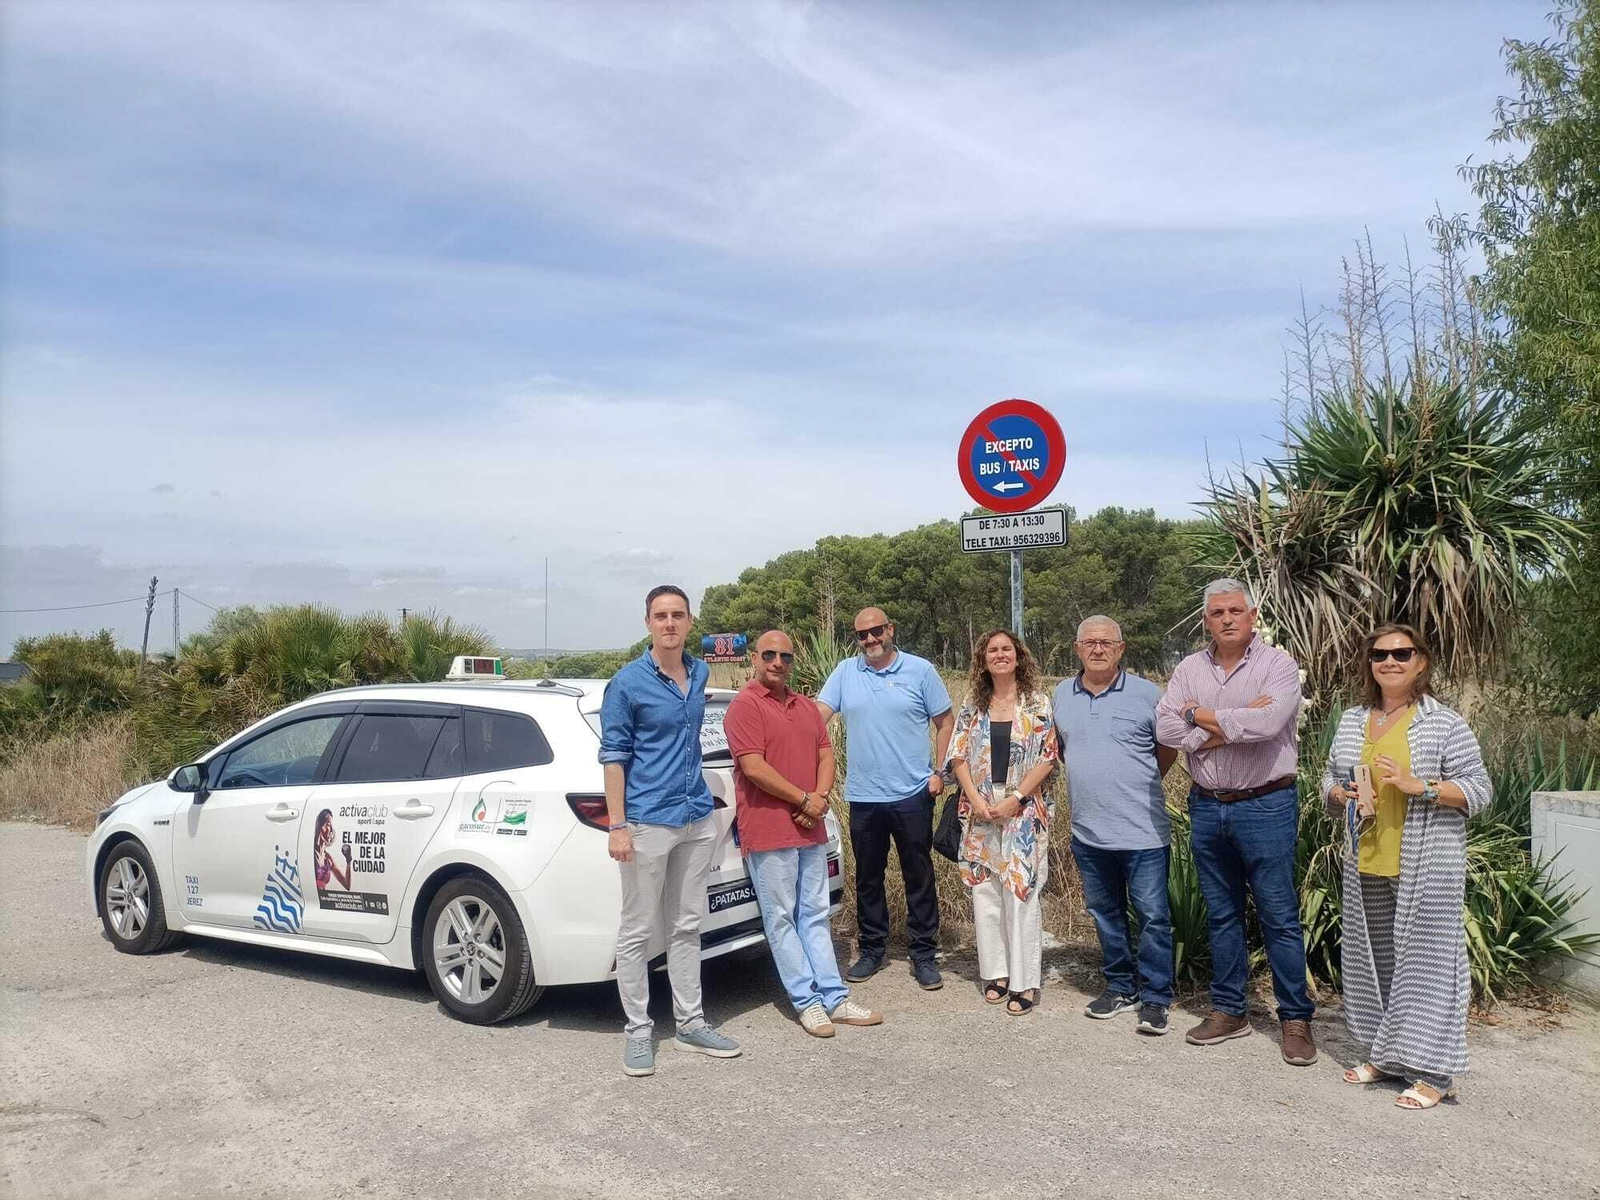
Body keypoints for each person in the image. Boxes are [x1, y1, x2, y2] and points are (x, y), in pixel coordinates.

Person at [1320, 624, 1491, 1110]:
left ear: (1421, 662)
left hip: (1427, 866)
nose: (1389, 662)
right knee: (1376, 963)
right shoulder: (1353, 720)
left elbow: (1479, 790)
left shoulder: (1444, 723)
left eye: (1402, 653)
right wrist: (1339, 793)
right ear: (1369, 663)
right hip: (1366, 861)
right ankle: (1387, 1057)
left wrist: (1423, 787)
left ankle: (1436, 1073)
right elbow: (1329, 781)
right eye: (1380, 654)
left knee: (1431, 968)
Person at [1155, 578, 1317, 1066]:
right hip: (1207, 804)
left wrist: (1197, 717)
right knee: (1222, 913)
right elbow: (1164, 726)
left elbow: (1269, 725)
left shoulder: (1278, 666)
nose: (1226, 619)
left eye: (1235, 611)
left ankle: (1295, 1018)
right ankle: (1230, 1011)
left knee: (1279, 916)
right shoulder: (1188, 668)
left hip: (1265, 805)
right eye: (1217, 613)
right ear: (1206, 620)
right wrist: (1230, 725)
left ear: (1251, 617)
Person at [598, 584, 741, 1077]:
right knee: (638, 930)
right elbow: (613, 758)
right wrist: (618, 826)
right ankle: (638, 1032)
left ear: (689, 620)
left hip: (696, 816)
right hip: (647, 821)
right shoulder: (627, 683)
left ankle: (689, 1023)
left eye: (678, 615)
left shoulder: (700, 672)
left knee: (685, 925)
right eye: (661, 616)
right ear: (648, 623)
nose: (670, 624)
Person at [724, 630, 884, 1038]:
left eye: (786, 656)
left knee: (814, 915)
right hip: (770, 829)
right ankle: (806, 1001)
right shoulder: (744, 706)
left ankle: (834, 997)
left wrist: (820, 797)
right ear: (754, 659)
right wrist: (804, 799)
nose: (778, 662)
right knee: (780, 919)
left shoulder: (807, 708)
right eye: (770, 655)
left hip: (810, 828)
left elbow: (825, 754)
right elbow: (754, 768)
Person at [817, 607, 954, 989]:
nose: (870, 640)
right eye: (862, 635)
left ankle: (924, 953)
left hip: (913, 794)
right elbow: (817, 716)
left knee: (919, 876)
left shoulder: (920, 670)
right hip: (863, 796)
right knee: (869, 879)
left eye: (876, 631)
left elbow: (946, 722)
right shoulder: (846, 672)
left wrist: (939, 773)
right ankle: (872, 950)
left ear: (890, 629)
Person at [1053, 616, 1178, 1034]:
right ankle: (1121, 986)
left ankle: (1157, 997)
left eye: (1107, 642)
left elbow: (1167, 752)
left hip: (1143, 833)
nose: (1098, 649)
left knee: (1153, 916)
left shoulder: (1148, 695)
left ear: (1122, 648)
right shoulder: (1060, 696)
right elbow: (1063, 751)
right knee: (1105, 914)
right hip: (1088, 833)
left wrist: (1131, 781)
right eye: (1089, 642)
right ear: (1077, 648)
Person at [946, 629, 1058, 1015]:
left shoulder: (1037, 703)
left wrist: (1016, 799)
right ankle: (995, 973)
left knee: (1022, 894)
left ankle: (1024, 981)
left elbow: (1047, 756)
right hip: (979, 811)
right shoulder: (973, 705)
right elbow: (957, 755)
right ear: (983, 659)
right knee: (986, 893)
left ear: (1018, 656)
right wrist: (976, 800)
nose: (999, 655)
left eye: (1006, 649)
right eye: (992, 650)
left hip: (1023, 812)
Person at [313, 809, 352, 891]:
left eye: (331, 826)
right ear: (320, 826)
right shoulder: (311, 854)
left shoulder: (327, 858)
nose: (330, 830)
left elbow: (346, 885)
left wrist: (348, 860)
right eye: (328, 825)